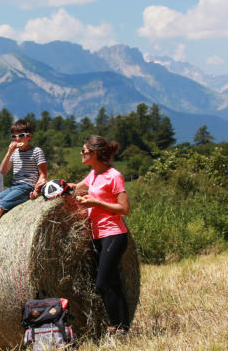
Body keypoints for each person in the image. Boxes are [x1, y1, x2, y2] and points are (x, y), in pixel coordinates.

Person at [69, 135, 131, 335]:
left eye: (84, 151)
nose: (81, 153)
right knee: (113, 282)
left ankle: (114, 326)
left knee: (102, 283)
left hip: (113, 234)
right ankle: (123, 328)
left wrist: (97, 203)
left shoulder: (114, 176)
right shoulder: (93, 175)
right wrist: (55, 186)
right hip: (98, 235)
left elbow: (124, 209)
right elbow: (77, 187)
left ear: (94, 153)